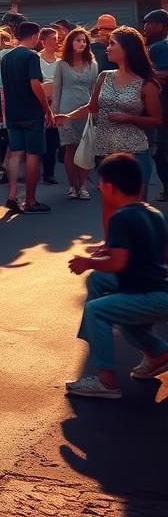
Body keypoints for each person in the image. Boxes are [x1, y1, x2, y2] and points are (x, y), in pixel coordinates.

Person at [64, 153, 168, 399]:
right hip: (159, 292)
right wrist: (112, 249)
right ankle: (159, 354)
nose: (98, 187)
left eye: (99, 182)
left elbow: (118, 262)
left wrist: (87, 262)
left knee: (96, 310)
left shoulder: (120, 217)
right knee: (101, 286)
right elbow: (163, 255)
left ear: (109, 187)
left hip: (149, 297)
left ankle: (106, 382)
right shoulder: (153, 213)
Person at [58, 26, 162, 199]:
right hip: (107, 157)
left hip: (134, 154)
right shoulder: (104, 76)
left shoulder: (146, 84)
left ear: (127, 49)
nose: (107, 47)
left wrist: (130, 118)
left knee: (134, 210)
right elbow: (92, 107)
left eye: (112, 43)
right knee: (112, 210)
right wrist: (67, 117)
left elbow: (157, 120)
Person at [0, 21, 54, 213]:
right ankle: (31, 201)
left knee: (15, 154)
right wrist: (47, 109)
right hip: (31, 112)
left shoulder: (6, 57)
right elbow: (35, 84)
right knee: (33, 155)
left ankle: (12, 196)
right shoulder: (31, 56)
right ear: (34, 36)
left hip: (12, 113)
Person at [53, 28, 98, 200]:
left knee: (85, 149)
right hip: (66, 111)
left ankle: (84, 185)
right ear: (70, 42)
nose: (81, 43)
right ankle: (73, 186)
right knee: (70, 149)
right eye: (78, 40)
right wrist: (55, 114)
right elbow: (56, 90)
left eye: (84, 41)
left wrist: (95, 112)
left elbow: (94, 90)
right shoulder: (62, 64)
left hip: (86, 110)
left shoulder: (92, 64)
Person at [142, 8, 168, 203]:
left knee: (160, 153)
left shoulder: (159, 48)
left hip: (163, 109)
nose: (144, 28)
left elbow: (161, 74)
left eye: (148, 24)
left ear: (160, 27)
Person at [37, 27, 61, 185]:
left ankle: (49, 173)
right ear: (43, 41)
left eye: (57, 38)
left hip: (57, 104)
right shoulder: (36, 59)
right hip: (40, 103)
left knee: (53, 140)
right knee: (42, 138)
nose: (56, 42)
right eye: (53, 38)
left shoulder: (61, 62)